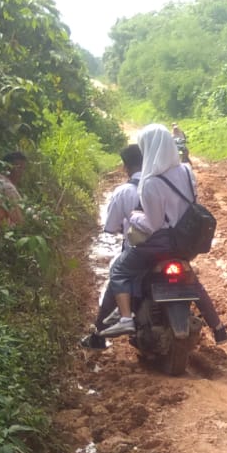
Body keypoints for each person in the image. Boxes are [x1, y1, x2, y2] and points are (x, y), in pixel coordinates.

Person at [97, 124, 227, 344]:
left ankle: (126, 318)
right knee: (192, 281)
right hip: (188, 241)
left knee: (120, 270)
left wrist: (134, 216)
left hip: (161, 243)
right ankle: (219, 328)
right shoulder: (187, 171)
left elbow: (154, 223)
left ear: (147, 148)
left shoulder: (150, 183)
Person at [80, 143, 144, 349]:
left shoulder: (124, 192)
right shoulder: (160, 185)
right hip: (170, 247)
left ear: (125, 167)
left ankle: (99, 335)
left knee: (116, 278)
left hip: (137, 250)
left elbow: (111, 227)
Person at [0, 151, 27, 228]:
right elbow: (20, 221)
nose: (22, 172)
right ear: (8, 168)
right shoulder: (8, 188)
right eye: (19, 168)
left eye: (23, 169)